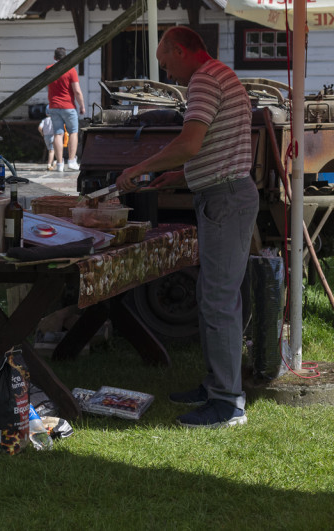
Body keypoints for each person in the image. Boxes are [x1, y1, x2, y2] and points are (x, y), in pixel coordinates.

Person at [115, 26, 257, 429]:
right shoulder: (221, 75)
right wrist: (178, 176)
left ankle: (228, 404)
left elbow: (190, 142)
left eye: (166, 63)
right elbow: (213, 149)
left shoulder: (203, 81)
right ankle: (216, 384)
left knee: (218, 299)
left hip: (225, 199)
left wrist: (140, 167)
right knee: (211, 293)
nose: (168, 73)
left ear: (180, 51)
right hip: (224, 194)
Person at [46, 47, 86, 172]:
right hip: (68, 106)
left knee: (58, 133)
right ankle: (72, 161)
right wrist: (82, 106)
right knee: (73, 132)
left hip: (53, 106)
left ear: (54, 57)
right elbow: (77, 91)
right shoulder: (71, 70)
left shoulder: (48, 69)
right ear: (66, 57)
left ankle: (59, 164)